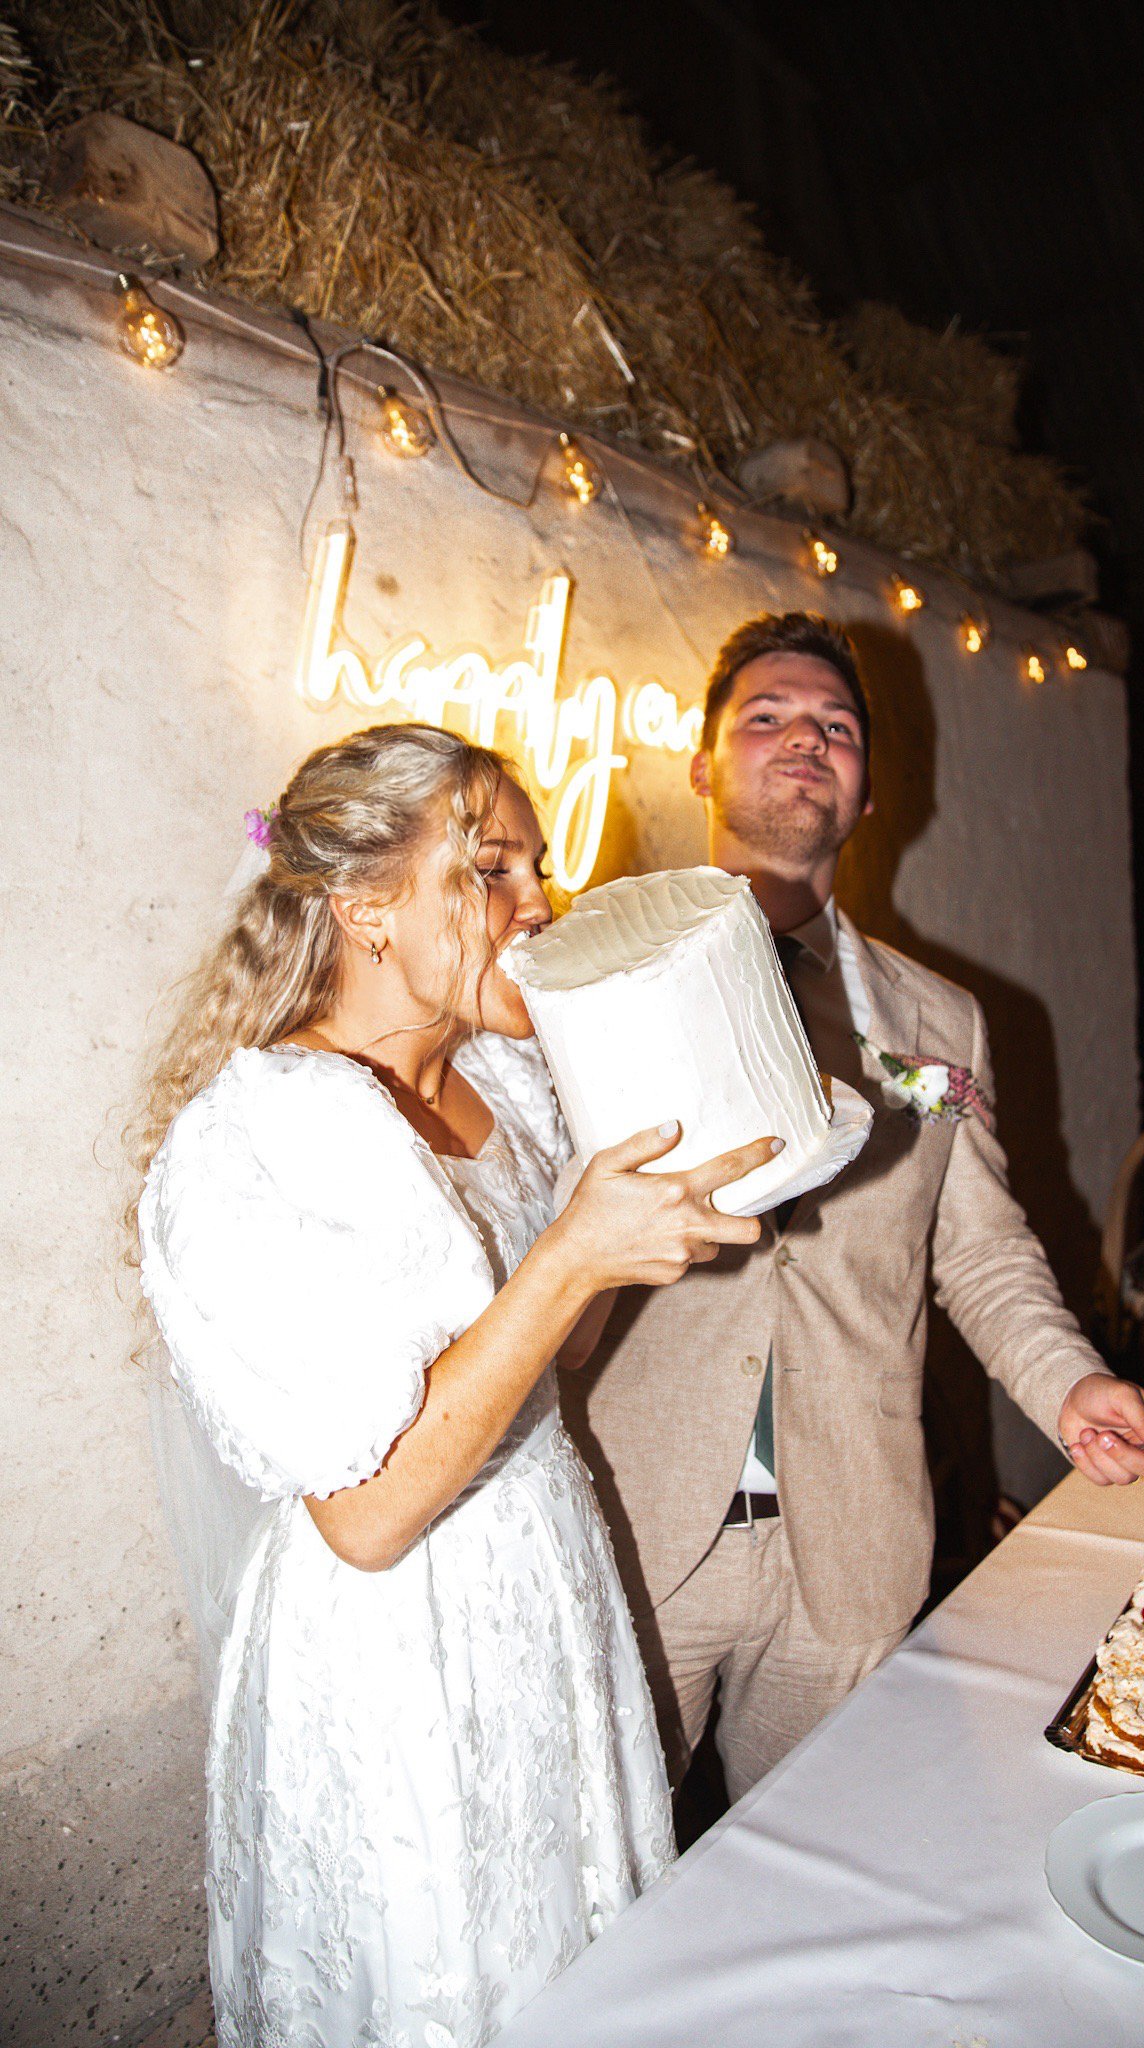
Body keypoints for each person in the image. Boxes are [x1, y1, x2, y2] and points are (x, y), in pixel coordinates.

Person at [132, 723, 778, 2048]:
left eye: (535, 867)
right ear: (365, 904)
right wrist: (572, 1256)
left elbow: (555, 1363)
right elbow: (363, 1519)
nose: (537, 905)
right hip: (392, 1647)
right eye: (490, 869)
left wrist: (638, 1226)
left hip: (548, 1584)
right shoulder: (256, 1138)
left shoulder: (509, 1087)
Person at [560, 612, 1144, 1803]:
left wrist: (1069, 1385)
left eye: (836, 727)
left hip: (853, 1551)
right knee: (603, 1895)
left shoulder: (940, 1023)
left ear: (866, 786)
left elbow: (984, 1253)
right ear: (701, 765)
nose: (807, 741)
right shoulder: (593, 981)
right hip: (638, 1537)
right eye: (768, 717)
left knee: (823, 1881)